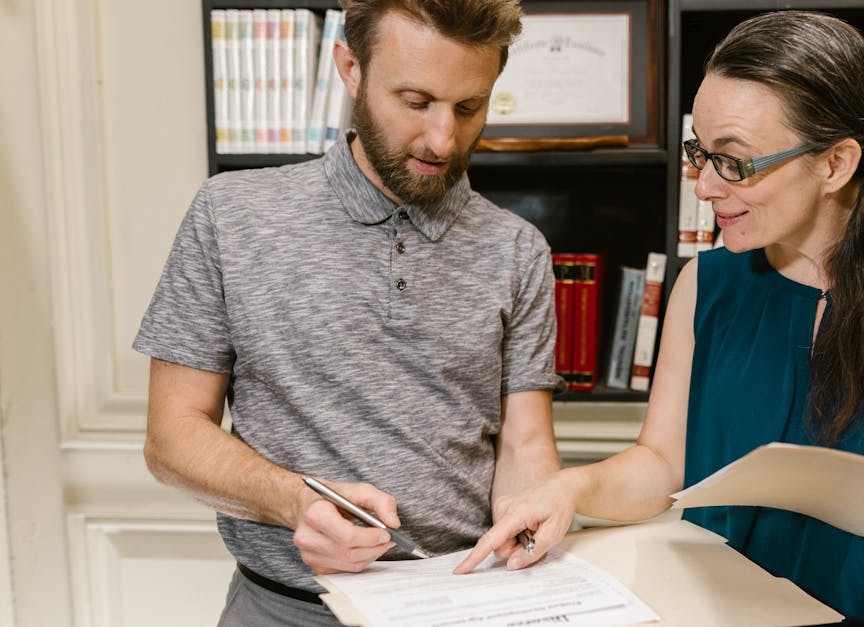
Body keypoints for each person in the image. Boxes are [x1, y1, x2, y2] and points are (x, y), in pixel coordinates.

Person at [456, 11, 864, 626]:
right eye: (701, 154)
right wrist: (570, 489)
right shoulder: (703, 285)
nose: (708, 187)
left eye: (734, 162)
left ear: (836, 164)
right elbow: (661, 465)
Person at [135, 0, 562, 624]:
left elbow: (526, 443)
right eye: (415, 102)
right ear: (349, 67)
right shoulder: (230, 215)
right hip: (281, 608)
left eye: (468, 107)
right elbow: (169, 439)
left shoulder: (518, 249)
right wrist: (292, 501)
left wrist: (532, 523)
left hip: (467, 602)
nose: (443, 139)